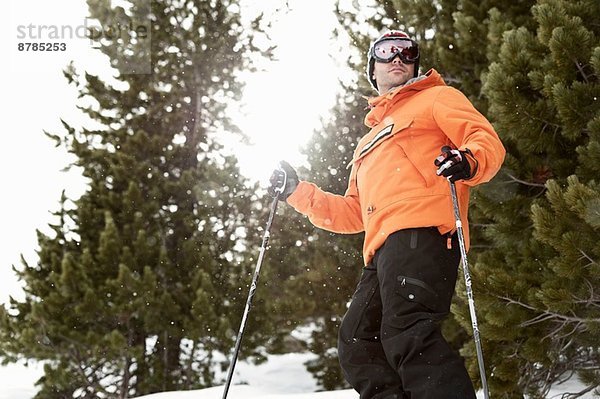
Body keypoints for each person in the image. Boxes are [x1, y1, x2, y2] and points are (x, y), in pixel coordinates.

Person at [269, 30, 505, 399]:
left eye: (407, 52)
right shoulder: (367, 142)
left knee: (408, 331)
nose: (397, 57)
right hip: (381, 251)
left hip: (423, 232)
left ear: (413, 64)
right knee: (357, 343)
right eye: (386, 52)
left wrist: (466, 159)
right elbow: (353, 212)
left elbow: (482, 138)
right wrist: (297, 193)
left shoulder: (437, 98)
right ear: (372, 68)